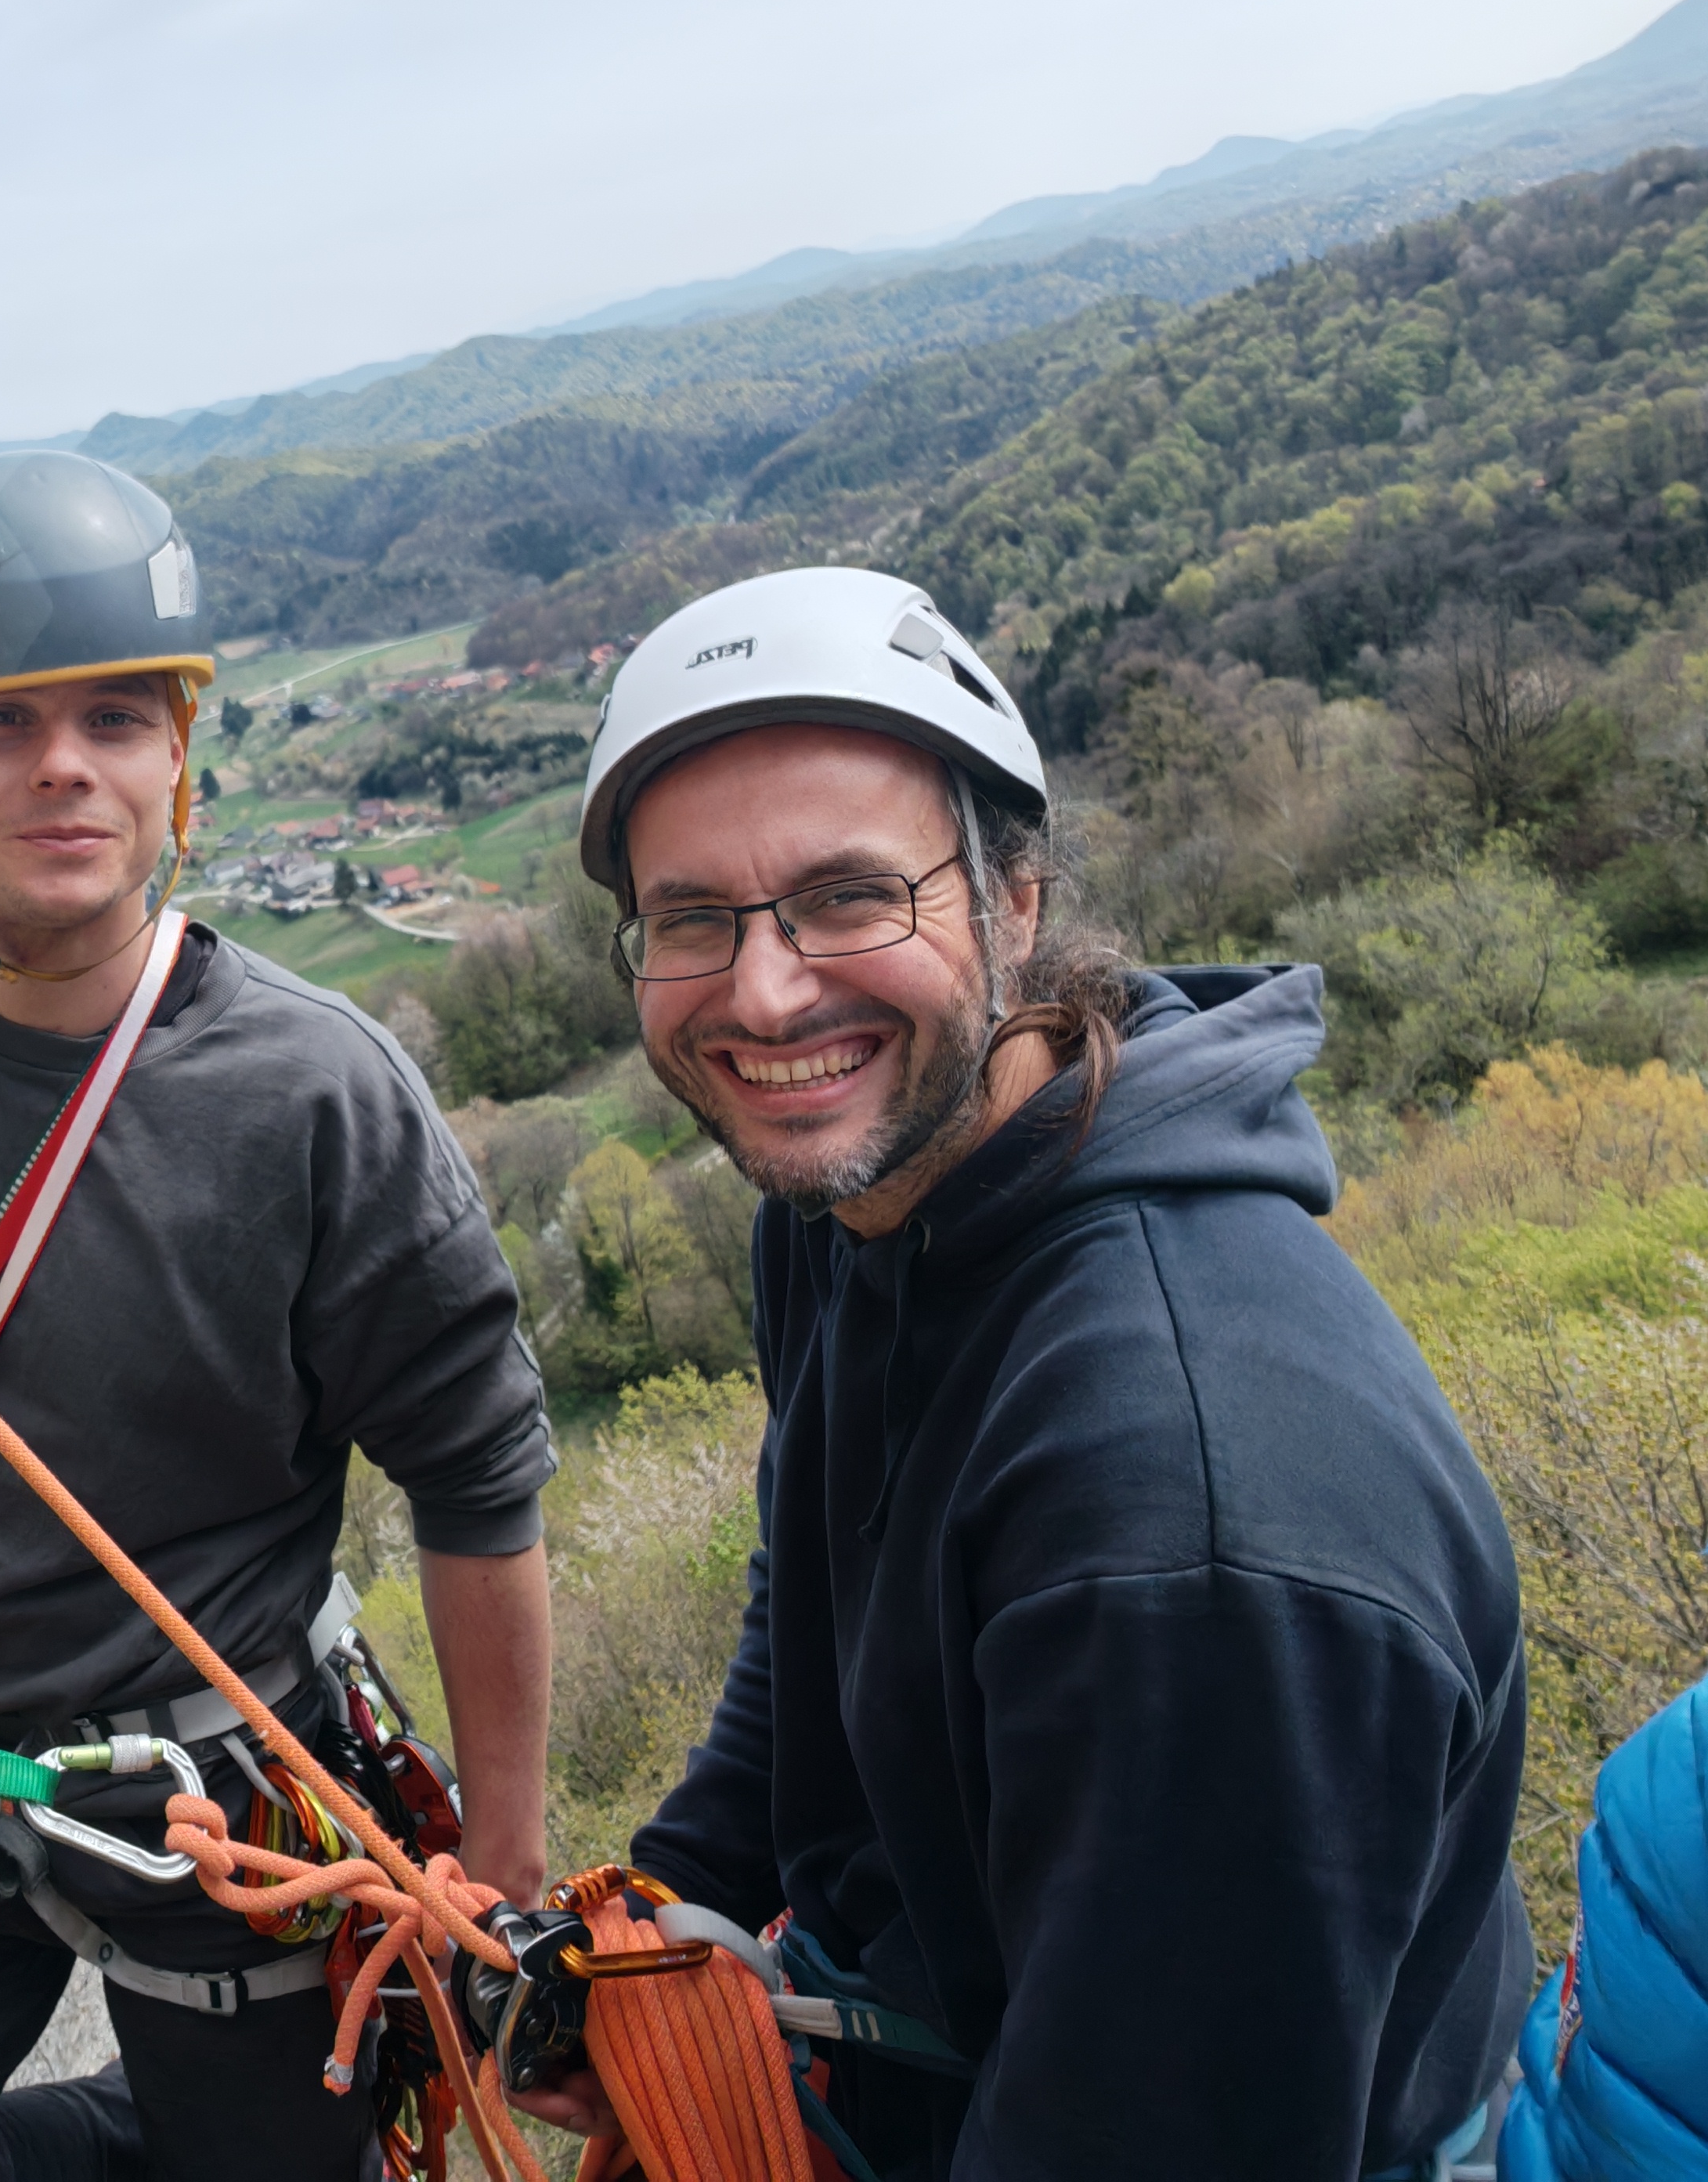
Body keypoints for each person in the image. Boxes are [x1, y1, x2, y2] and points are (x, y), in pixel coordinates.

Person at [527, 566, 1529, 2180]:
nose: (765, 991)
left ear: (1010, 900)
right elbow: (818, 1582)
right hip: (949, 2042)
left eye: (849, 897)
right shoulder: (860, 1192)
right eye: (691, 919)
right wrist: (673, 1901)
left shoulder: (1177, 1523)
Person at [0, 449, 557, 2180]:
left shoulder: (314, 1099)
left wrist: (495, 1852)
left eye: (119, 721)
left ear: (180, 758)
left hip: (222, 1804)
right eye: (1, 724)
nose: (65, 767)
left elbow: (476, 1477)